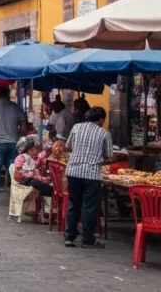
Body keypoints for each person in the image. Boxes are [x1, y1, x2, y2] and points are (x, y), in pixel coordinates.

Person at [64, 106, 112, 249]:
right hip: (91, 174)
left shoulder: (76, 128)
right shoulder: (104, 134)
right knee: (89, 207)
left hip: (73, 171)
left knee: (74, 204)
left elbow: (68, 146)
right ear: (101, 119)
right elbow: (109, 156)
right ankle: (87, 239)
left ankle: (69, 237)